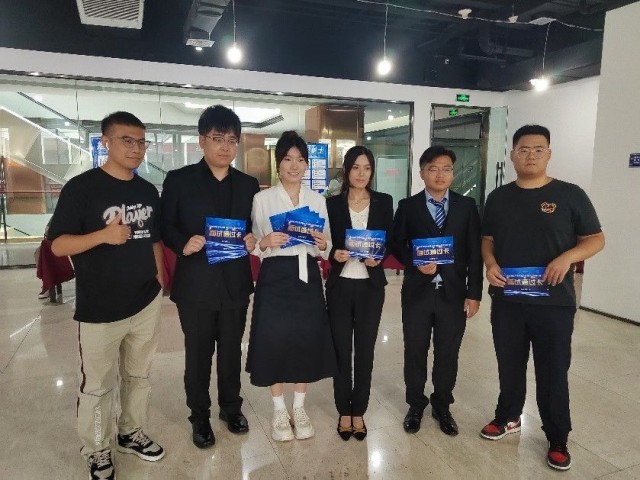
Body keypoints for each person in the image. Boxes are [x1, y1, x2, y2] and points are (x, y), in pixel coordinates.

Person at [480, 124, 605, 471]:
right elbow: (487, 239)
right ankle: (508, 416)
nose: (530, 155)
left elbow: (596, 238)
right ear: (512, 155)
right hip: (508, 300)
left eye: (538, 149)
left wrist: (567, 258)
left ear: (549, 154)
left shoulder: (570, 195)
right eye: (523, 149)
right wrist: (489, 263)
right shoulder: (498, 197)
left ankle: (557, 436)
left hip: (554, 303)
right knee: (509, 363)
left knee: (553, 370)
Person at [49, 111, 165, 480]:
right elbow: (58, 245)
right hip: (100, 307)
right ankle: (98, 450)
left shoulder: (147, 191)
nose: (136, 148)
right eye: (127, 140)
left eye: (142, 142)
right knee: (97, 386)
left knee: (138, 375)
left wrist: (160, 279)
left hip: (145, 301)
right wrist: (103, 235)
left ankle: (130, 432)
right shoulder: (82, 188)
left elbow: (154, 240)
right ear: (106, 142)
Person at [159, 105, 260, 449]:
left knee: (231, 352)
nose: (225, 147)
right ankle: (199, 415)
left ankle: (231, 408)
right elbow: (164, 225)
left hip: (235, 284)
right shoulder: (179, 180)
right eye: (218, 139)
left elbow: (253, 228)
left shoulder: (248, 185)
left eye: (232, 140)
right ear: (202, 140)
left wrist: (252, 239)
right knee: (198, 354)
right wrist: (182, 243)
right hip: (196, 285)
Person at [247, 130, 337, 442]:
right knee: (273, 339)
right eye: (287, 159)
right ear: (278, 163)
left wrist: (323, 243)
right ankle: (278, 409)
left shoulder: (317, 200)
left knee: (305, 338)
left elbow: (327, 245)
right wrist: (265, 241)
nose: (294, 166)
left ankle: (299, 407)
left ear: (307, 164)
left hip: (307, 274)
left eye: (300, 160)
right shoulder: (262, 199)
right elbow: (253, 244)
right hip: (274, 274)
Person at [393, 146, 482, 437]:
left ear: (453, 174)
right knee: (415, 350)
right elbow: (397, 245)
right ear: (422, 173)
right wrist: (415, 262)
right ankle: (415, 405)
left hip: (453, 295)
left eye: (446, 169)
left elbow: (475, 252)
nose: (440, 174)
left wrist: (474, 293)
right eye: (433, 169)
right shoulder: (408, 206)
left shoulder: (467, 207)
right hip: (417, 294)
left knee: (448, 352)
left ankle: (442, 405)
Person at [326, 146, 393, 441]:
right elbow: (324, 241)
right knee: (341, 350)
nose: (361, 173)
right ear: (346, 170)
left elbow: (389, 239)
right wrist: (334, 253)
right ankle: (344, 410)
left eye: (367, 168)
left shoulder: (383, 202)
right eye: (355, 167)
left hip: (370, 287)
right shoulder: (332, 204)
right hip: (340, 285)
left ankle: (359, 411)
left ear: (372, 171)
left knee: (365, 350)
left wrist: (380, 256)